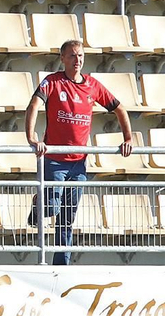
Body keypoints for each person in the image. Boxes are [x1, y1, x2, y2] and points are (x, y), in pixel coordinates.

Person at [25, 39, 133, 266]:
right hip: (55, 160)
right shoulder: (52, 82)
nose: (78, 60)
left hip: (79, 163)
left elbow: (119, 108)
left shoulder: (92, 85)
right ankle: (39, 204)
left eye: (81, 56)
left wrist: (128, 138)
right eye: (73, 56)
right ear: (63, 58)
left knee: (67, 218)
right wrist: (32, 138)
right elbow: (33, 105)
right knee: (52, 207)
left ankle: (60, 265)